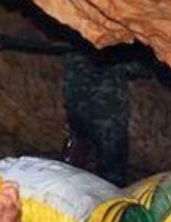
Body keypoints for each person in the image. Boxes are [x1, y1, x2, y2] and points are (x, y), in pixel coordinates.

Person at [62, 49, 151, 186]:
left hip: (79, 114)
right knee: (112, 174)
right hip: (107, 119)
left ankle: (63, 187)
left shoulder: (74, 53)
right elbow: (141, 69)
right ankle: (109, 202)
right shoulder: (114, 57)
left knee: (72, 161)